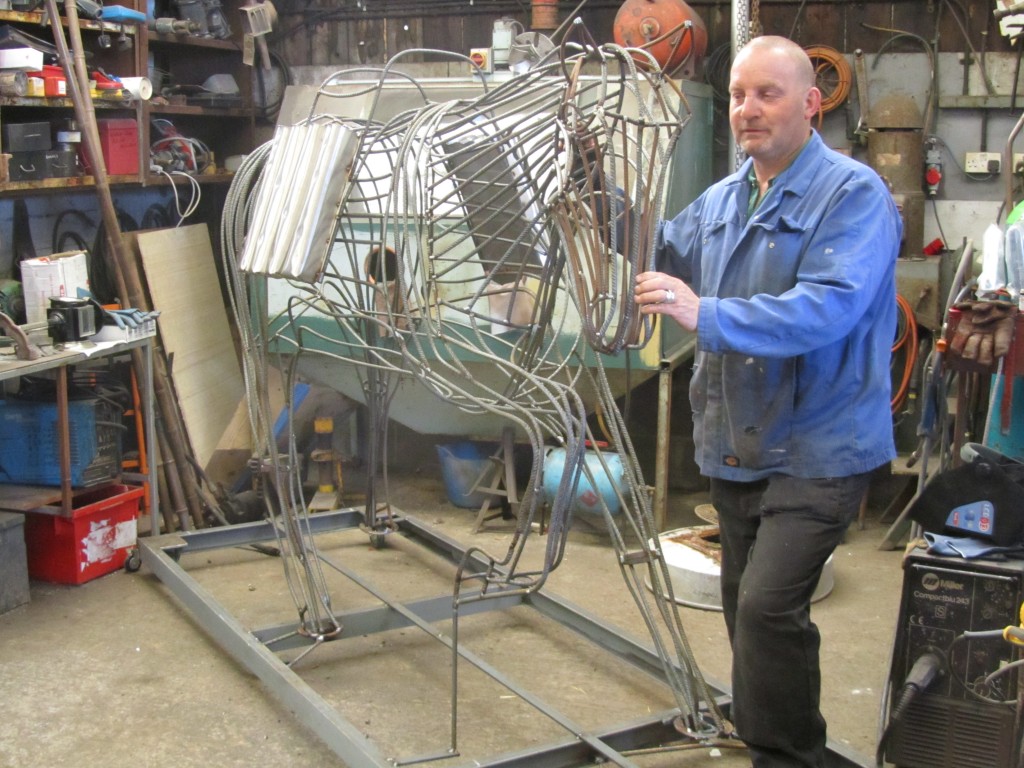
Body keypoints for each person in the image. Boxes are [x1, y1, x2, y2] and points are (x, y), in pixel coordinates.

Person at [633, 36, 902, 768]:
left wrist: (705, 313)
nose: (748, 110)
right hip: (737, 439)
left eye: (768, 94)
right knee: (744, 613)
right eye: (739, 96)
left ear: (812, 103)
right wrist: (601, 194)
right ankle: (769, 742)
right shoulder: (724, 198)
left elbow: (829, 308)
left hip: (821, 444)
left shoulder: (853, 195)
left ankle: (790, 757)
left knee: (766, 608)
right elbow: (663, 250)